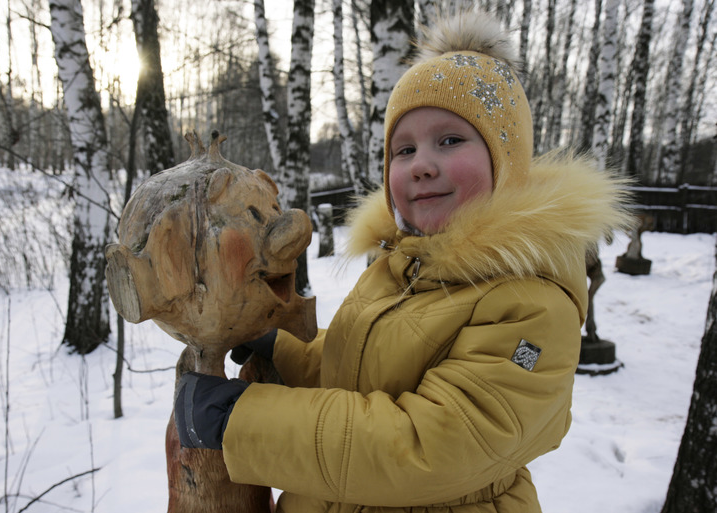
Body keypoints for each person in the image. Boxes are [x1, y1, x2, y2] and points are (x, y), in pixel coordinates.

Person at [174, 10, 632, 512]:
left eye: (450, 141)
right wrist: (281, 348)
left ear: (507, 160)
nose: (421, 166)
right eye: (404, 149)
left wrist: (240, 420)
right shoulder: (400, 264)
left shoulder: (532, 304)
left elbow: (428, 446)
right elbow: (358, 370)